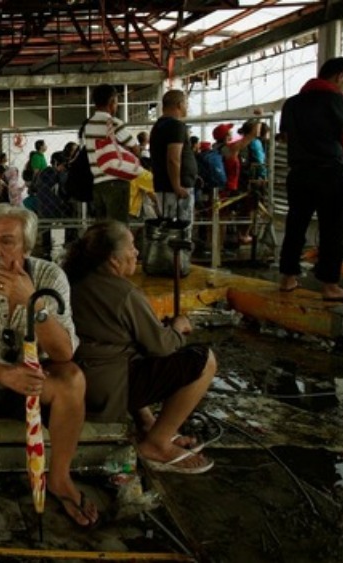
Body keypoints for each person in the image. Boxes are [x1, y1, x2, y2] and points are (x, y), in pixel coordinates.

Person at [0, 204, 96, 529]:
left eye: (7, 241)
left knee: (73, 380)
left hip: (34, 377)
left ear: (26, 246)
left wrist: (32, 301)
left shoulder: (50, 276)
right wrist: (3, 374)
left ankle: (60, 478)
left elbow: (64, 352)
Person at [63, 220, 217, 474]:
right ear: (113, 259)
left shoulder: (73, 279)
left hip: (82, 379)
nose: (136, 252)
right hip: (109, 388)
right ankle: (157, 443)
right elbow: (162, 347)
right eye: (131, 247)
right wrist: (177, 329)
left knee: (130, 351)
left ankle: (148, 424)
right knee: (204, 359)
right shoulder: (124, 293)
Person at [279, 57, 343, 301]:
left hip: (299, 173)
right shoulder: (336, 99)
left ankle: (287, 278)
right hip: (329, 172)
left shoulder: (292, 104)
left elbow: (285, 137)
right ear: (340, 76)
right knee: (333, 229)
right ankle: (330, 286)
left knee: (296, 225)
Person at [84, 84, 142, 223]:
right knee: (118, 228)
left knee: (103, 229)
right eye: (117, 102)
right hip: (116, 181)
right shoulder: (113, 123)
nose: (117, 106)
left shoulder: (88, 125)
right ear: (111, 102)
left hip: (97, 183)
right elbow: (135, 149)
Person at [149, 90, 196, 224]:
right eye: (186, 104)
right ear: (180, 105)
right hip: (176, 188)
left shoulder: (158, 126)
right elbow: (173, 158)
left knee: (168, 225)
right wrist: (177, 186)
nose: (186, 107)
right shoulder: (176, 126)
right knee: (180, 229)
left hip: (164, 186)